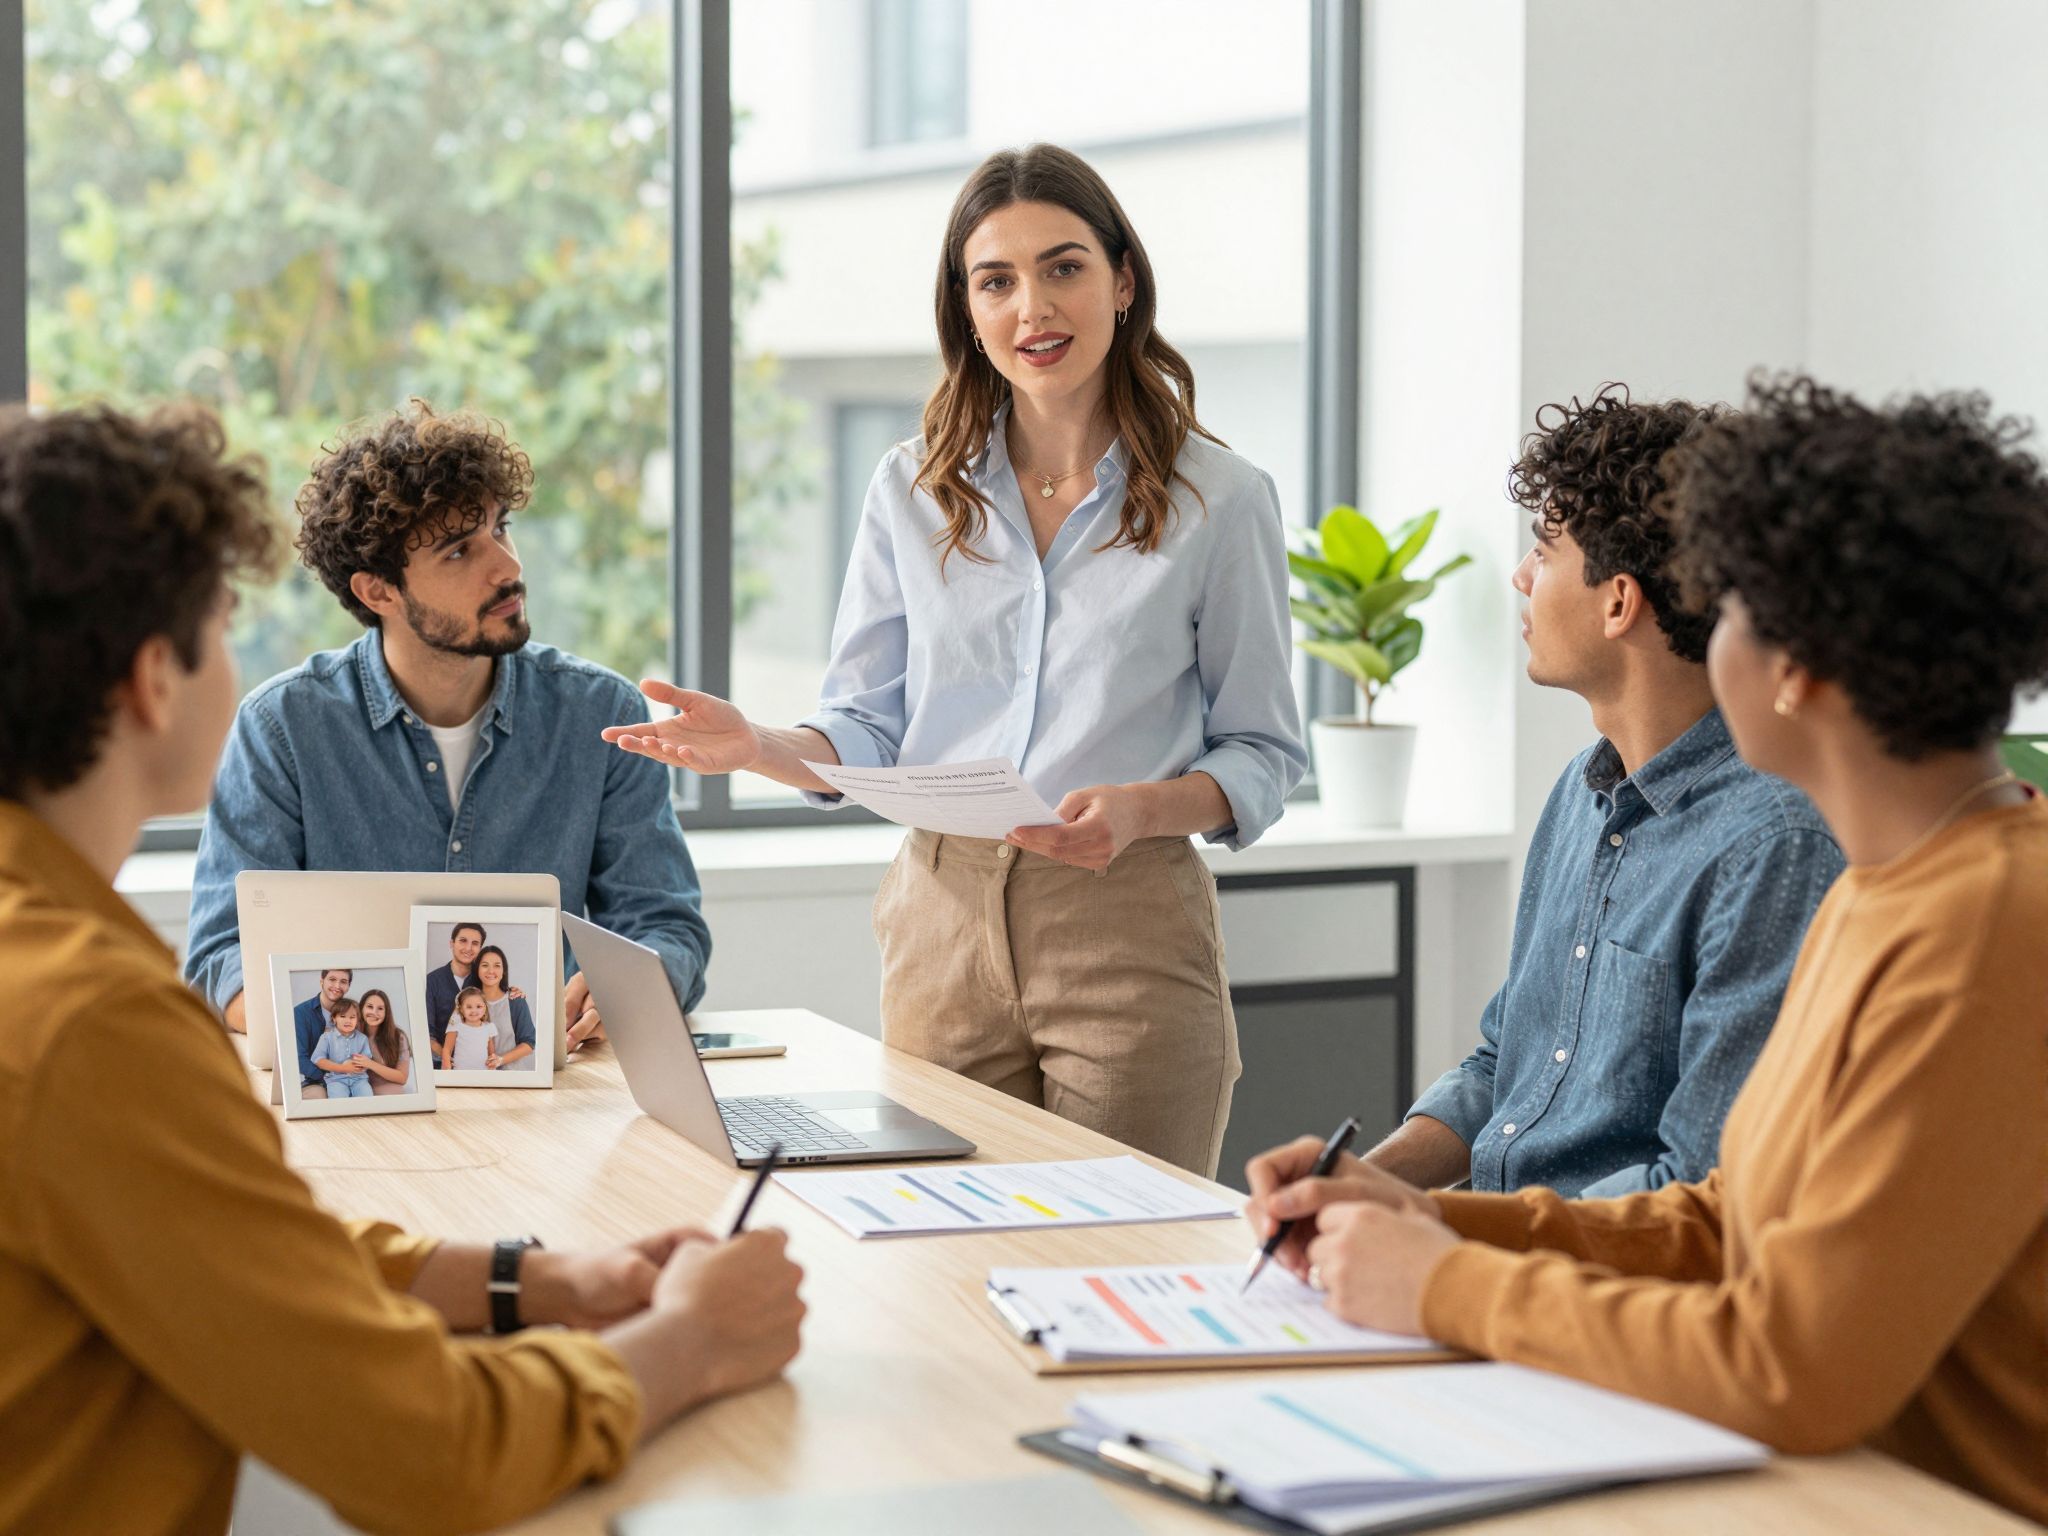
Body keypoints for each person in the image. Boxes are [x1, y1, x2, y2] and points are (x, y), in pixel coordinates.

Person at [1242, 376, 2048, 1523]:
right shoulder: (1894, 882)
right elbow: (1728, 1219)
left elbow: (1790, 1365)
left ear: (1794, 667)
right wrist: (1437, 1219)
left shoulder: (1981, 927)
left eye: (1725, 610)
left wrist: (1449, 1286)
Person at [0, 402, 805, 1534]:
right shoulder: (94, 1024)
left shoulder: (40, 960)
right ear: (151, 681)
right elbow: (431, 1450)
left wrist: (535, 1280)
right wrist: (690, 1340)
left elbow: (235, 1248)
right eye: (222, 624)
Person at [605, 143, 1306, 1177]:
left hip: (1126, 924)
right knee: (936, 1242)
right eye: (996, 281)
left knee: (1119, 1244)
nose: (1033, 307)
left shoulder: (1222, 499)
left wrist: (1141, 810)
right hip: (938, 919)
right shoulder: (912, 489)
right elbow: (867, 726)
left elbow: (1262, 751)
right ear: (967, 310)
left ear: (1122, 282)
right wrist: (757, 746)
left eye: (1063, 267)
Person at [1370, 385, 1842, 1197]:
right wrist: (1361, 1182)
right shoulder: (1580, 792)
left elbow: (1699, 1185)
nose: (1521, 576)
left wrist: (1437, 1232)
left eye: (1544, 550)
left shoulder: (1773, 844)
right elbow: (1504, 1065)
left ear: (1619, 600)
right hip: (1493, 1242)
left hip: (1588, 1263)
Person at [183, 401, 710, 1056]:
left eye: (501, 528)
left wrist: (625, 989)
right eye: (460, 551)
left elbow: (665, 927)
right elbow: (220, 957)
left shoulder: (599, 712)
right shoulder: (283, 728)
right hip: (358, 1082)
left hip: (549, 1083)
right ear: (379, 592)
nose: (508, 567)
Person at [423, 920, 490, 1055]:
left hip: (479, 1060)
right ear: (452, 943)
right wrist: (448, 1059)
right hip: (440, 1060)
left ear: (480, 949)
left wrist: (512, 992)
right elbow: (426, 1033)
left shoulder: (485, 979)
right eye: (463, 941)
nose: (468, 948)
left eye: (475, 943)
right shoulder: (431, 981)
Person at [472, 943, 537, 1070]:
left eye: (497, 966)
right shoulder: (468, 1002)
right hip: (477, 1073)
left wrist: (500, 1060)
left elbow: (529, 1044)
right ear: (477, 970)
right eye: (485, 965)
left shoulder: (515, 1001)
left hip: (511, 1074)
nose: (491, 971)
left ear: (503, 971)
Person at [290, 965, 351, 1100]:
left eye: (343, 982)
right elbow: (299, 1059)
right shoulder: (301, 1013)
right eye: (332, 979)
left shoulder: (353, 1013)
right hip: (317, 1081)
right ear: (322, 981)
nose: (337, 986)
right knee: (318, 1096)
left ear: (348, 987)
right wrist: (328, 1077)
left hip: (349, 1078)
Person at [311, 996, 376, 1099]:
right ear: (334, 1018)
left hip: (359, 1079)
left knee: (367, 1098)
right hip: (336, 1079)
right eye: (343, 1016)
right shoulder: (327, 1037)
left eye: (352, 1017)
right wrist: (343, 1068)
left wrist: (357, 1064)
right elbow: (318, 1059)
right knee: (338, 1101)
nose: (348, 1021)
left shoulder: (362, 1038)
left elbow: (366, 1060)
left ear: (357, 1020)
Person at [356, 988, 414, 1095]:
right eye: (369, 1007)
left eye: (380, 1008)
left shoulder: (398, 1037)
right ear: (361, 1008)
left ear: (386, 1013)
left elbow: (402, 1077)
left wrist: (370, 1064)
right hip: (358, 1087)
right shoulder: (351, 1032)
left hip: (386, 1087)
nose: (374, 1012)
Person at [442, 987, 497, 1071]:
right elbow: (447, 1049)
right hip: (461, 1072)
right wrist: (446, 1067)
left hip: (483, 1072)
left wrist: (492, 1068)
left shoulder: (489, 1027)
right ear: (461, 1009)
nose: (474, 1010)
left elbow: (491, 1054)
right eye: (469, 1007)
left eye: (478, 1006)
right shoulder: (456, 1027)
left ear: (485, 1008)